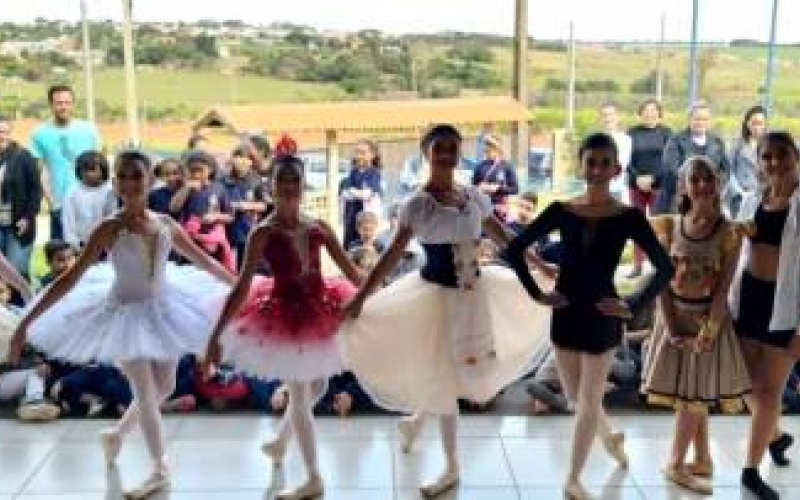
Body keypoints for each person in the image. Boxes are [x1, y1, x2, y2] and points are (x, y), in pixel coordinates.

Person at [6, 150, 236, 499]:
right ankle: (159, 467)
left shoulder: (166, 225)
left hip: (165, 307)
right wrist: (26, 323)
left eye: (137, 176)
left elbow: (206, 263)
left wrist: (242, 285)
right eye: (124, 176)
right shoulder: (109, 227)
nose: (130, 183)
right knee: (145, 393)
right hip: (123, 313)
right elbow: (69, 280)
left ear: (149, 180)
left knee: (166, 387)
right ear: (116, 183)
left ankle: (115, 434)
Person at [341, 124, 552, 498]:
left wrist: (541, 264)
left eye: (453, 149)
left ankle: (415, 425)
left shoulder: (472, 196)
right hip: (435, 299)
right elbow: (390, 257)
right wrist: (359, 300)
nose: (447, 156)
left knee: (452, 373)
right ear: (426, 152)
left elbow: (503, 234)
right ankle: (452, 464)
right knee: (442, 377)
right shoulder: (417, 204)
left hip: (476, 293)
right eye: (440, 149)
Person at [503, 132, 674, 499]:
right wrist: (537, 295)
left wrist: (631, 305)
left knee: (589, 399)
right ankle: (610, 438)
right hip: (565, 312)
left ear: (617, 168)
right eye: (590, 161)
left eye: (604, 162)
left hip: (602, 313)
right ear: (580, 164)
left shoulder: (629, 216)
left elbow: (664, 267)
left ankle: (573, 479)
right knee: (576, 400)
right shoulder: (562, 210)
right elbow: (514, 249)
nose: (596, 169)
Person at [204, 155, 361, 500]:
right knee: (303, 394)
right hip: (284, 319)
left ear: (304, 186)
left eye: (295, 181)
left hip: (321, 308)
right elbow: (242, 285)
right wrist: (216, 335)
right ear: (271, 186)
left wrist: (378, 294)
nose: (289, 188)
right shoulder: (263, 232)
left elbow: (352, 272)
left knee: (317, 385)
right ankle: (313, 476)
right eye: (281, 181)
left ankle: (279, 443)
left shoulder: (319, 227)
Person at [642, 155, 750, 495]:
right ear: (683, 185)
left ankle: (676, 463)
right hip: (674, 318)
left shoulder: (730, 232)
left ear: (718, 182)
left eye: (708, 179)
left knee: (694, 393)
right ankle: (701, 458)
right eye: (695, 179)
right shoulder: (670, 226)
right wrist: (671, 325)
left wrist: (710, 330)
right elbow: (661, 278)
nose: (702, 185)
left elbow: (723, 288)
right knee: (690, 393)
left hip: (707, 322)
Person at [729, 131, 800, 500]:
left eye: (781, 154)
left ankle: (751, 471)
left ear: (795, 156)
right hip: (749, 299)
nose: (774, 162)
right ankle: (774, 435)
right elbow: (735, 252)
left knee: (769, 391)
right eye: (766, 156)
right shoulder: (753, 199)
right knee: (741, 383)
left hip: (785, 308)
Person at [29, 84, 101, 240]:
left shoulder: (89, 129)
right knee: (61, 257)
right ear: (51, 105)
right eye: (59, 103)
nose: (63, 107)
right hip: (60, 205)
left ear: (73, 104)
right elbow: (39, 172)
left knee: (92, 257)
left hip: (89, 204)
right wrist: (52, 203)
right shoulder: (39, 133)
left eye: (67, 102)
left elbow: (99, 168)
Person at [626, 99, 673, 277]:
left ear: (659, 114)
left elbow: (669, 161)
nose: (649, 113)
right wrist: (637, 177)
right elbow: (625, 160)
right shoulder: (631, 133)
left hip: (658, 187)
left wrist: (653, 178)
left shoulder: (667, 133)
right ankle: (637, 265)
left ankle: (657, 264)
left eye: (653, 111)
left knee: (658, 226)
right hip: (635, 185)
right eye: (646, 110)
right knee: (637, 225)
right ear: (640, 113)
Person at [658, 101, 730, 214]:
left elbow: (725, 170)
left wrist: (715, 187)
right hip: (682, 200)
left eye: (705, 119)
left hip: (710, 199)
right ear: (689, 119)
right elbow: (671, 169)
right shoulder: (675, 141)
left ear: (709, 121)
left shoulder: (717, 142)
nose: (701, 122)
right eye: (697, 119)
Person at [171, 153, 236, 272]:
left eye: (200, 170)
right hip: (190, 242)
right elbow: (174, 208)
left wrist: (215, 216)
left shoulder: (219, 188)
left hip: (212, 242)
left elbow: (230, 216)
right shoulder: (184, 188)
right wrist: (186, 189)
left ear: (210, 170)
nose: (195, 174)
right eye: (191, 170)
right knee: (188, 273)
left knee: (212, 275)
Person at [0, 115, 43, 280]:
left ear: (10, 133)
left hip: (19, 225)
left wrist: (28, 217)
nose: (1, 136)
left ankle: (24, 305)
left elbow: (35, 190)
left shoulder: (23, 156)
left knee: (16, 272)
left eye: (4, 132)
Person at [220, 145, 269, 266]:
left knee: (244, 266)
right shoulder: (222, 180)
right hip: (227, 232)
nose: (242, 160)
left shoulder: (256, 179)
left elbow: (264, 205)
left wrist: (246, 205)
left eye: (247, 158)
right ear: (232, 159)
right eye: (239, 156)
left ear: (252, 162)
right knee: (226, 267)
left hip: (248, 231)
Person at [62, 150, 117, 249]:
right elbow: (69, 225)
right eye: (84, 170)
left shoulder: (111, 191)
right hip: (81, 246)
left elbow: (113, 219)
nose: (87, 174)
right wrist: (76, 246)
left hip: (107, 247)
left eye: (92, 169)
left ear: (102, 170)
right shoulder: (72, 193)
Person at [726, 105, 767, 219]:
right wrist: (740, 192)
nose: (757, 127)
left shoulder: (769, 144)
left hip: (763, 197)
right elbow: (728, 171)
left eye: (761, 123)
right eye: (754, 123)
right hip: (741, 197)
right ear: (747, 123)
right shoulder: (737, 144)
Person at [341, 139, 383, 248]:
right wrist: (357, 192)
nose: (359, 156)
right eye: (357, 152)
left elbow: (366, 194)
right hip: (351, 219)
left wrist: (354, 191)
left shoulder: (374, 173)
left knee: (365, 252)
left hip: (366, 222)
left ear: (372, 155)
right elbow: (345, 194)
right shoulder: (353, 172)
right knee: (349, 250)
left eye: (363, 152)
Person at [471, 133, 519, 220]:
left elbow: (515, 189)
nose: (487, 149)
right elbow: (472, 188)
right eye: (486, 146)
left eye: (490, 146)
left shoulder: (507, 166)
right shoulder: (480, 166)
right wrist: (480, 188)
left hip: (500, 210)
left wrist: (498, 188)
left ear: (498, 148)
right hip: (482, 208)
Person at [599, 103, 633, 204]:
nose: (608, 118)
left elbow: (622, 163)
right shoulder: (593, 139)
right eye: (604, 115)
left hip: (617, 189)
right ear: (600, 118)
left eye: (611, 114)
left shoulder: (626, 139)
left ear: (618, 117)